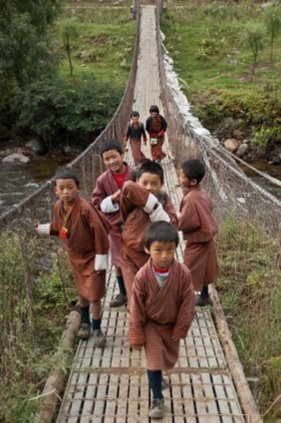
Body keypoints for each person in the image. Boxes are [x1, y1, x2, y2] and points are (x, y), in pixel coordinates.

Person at [35, 167, 109, 346]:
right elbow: (59, 227)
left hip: (92, 256)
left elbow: (100, 233)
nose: (66, 192)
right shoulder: (58, 207)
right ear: (56, 190)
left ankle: (97, 328)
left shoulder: (85, 209)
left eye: (69, 187)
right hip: (74, 256)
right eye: (61, 188)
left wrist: (101, 258)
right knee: (82, 292)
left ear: (78, 187)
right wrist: (41, 228)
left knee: (95, 294)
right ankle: (85, 323)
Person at [130, 221, 195, 419]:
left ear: (176, 249)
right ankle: (157, 398)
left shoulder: (183, 273)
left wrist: (181, 327)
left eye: (170, 250)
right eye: (158, 250)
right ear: (147, 249)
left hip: (171, 322)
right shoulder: (142, 276)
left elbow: (188, 303)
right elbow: (136, 307)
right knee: (153, 361)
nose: (165, 255)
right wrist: (137, 331)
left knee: (166, 361)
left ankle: (157, 379)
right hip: (151, 324)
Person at [120, 159, 177, 307]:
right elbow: (127, 186)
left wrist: (158, 211)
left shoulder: (164, 199)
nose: (149, 187)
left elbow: (172, 223)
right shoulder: (130, 198)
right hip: (130, 253)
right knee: (134, 296)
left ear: (162, 184)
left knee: (153, 293)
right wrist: (151, 205)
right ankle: (135, 316)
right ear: (137, 180)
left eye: (154, 183)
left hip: (153, 256)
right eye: (144, 183)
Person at [91, 139, 133, 308]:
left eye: (114, 157)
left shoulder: (135, 174)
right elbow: (96, 202)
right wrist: (112, 199)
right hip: (114, 228)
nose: (111, 162)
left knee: (136, 258)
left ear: (122, 155)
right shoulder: (102, 180)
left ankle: (136, 292)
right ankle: (123, 293)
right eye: (107, 159)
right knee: (117, 261)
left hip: (134, 224)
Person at [177, 159, 219, 306]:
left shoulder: (190, 198)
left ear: (193, 181)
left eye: (182, 177)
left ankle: (186, 305)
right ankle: (205, 295)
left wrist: (174, 221)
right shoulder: (202, 193)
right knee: (206, 268)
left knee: (188, 271)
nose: (180, 179)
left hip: (197, 241)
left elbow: (187, 222)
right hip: (208, 238)